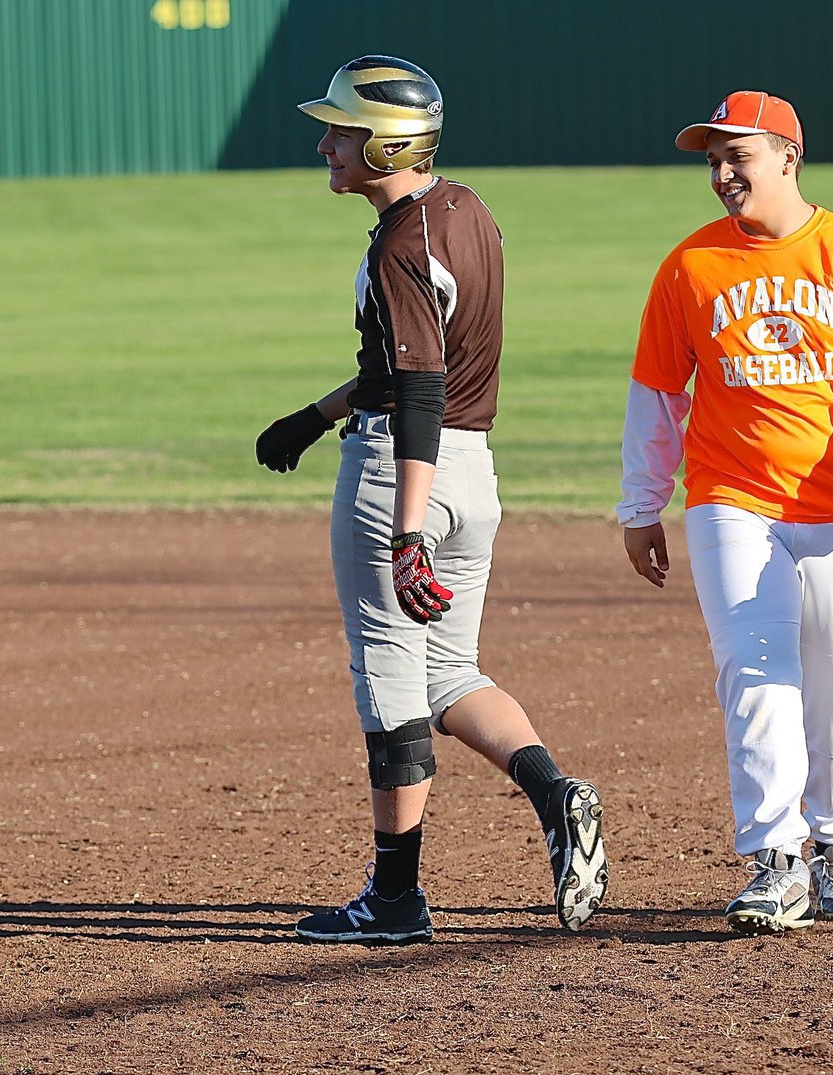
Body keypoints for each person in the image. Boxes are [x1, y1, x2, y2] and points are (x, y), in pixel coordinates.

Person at [256, 55, 607, 944]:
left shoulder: (400, 243)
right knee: (449, 671)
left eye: (341, 131)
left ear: (387, 141)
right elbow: (402, 366)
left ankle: (396, 898)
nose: (326, 144)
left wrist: (406, 526)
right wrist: (312, 415)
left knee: (389, 678)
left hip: (397, 476)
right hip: (475, 473)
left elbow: (416, 387)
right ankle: (555, 792)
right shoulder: (465, 211)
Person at [617, 91, 833, 934]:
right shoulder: (691, 266)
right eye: (713, 160)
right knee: (754, 668)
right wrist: (641, 503)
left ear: (788, 158)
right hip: (732, 500)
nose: (724, 173)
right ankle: (775, 858)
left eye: (740, 156)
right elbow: (657, 394)